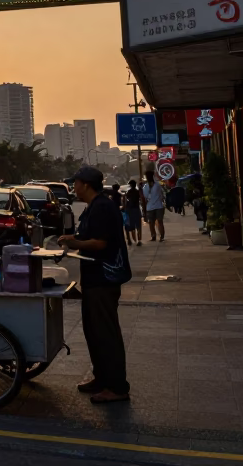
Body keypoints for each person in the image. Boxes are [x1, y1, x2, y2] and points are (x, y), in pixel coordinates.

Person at [58, 166, 131, 404]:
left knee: (106, 333)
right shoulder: (94, 206)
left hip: (103, 280)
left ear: (86, 184)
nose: (73, 187)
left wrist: (74, 242)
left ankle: (117, 387)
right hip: (93, 279)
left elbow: (99, 244)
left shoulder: (102, 207)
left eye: (75, 183)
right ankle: (101, 379)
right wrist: (74, 241)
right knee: (93, 332)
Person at [141, 168, 166, 242]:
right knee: (158, 222)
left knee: (152, 223)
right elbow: (161, 195)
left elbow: (145, 197)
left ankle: (154, 236)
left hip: (152, 207)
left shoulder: (146, 187)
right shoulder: (156, 185)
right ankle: (161, 236)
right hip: (158, 206)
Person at [123, 180, 142, 246]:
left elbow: (125, 202)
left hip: (129, 210)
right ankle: (139, 240)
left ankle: (130, 240)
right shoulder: (137, 192)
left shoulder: (128, 193)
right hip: (136, 209)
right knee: (138, 226)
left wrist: (124, 209)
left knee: (128, 226)